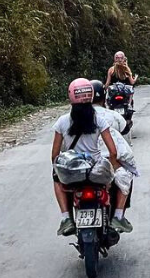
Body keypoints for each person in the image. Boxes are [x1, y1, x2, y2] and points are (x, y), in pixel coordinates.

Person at [51, 78, 127, 236]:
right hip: (96, 170)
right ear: (91, 95)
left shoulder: (62, 122)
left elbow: (55, 155)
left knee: (56, 178)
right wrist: (114, 166)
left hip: (72, 172)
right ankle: (118, 217)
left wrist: (60, 170)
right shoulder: (99, 120)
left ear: (71, 96)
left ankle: (66, 218)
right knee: (124, 177)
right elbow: (112, 151)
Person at [91, 81, 137, 232]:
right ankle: (118, 215)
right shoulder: (112, 116)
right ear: (104, 98)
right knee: (127, 176)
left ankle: (68, 218)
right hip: (109, 161)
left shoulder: (72, 118)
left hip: (83, 164)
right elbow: (124, 140)